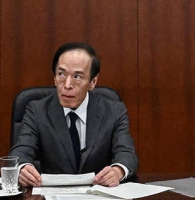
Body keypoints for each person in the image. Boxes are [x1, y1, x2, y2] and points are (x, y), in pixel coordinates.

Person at [9, 42, 138, 187]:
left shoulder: (113, 111)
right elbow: (21, 150)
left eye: (77, 77)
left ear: (93, 82)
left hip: (98, 194)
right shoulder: (37, 110)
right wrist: (22, 167)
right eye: (61, 74)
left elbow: (126, 153)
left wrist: (118, 171)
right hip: (51, 196)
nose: (67, 85)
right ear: (54, 77)